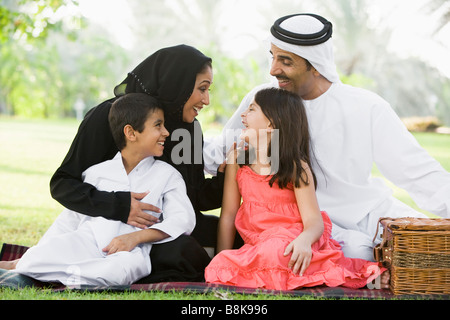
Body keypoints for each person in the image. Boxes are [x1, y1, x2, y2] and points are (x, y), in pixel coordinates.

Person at [205, 13, 450, 262]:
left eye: (285, 61)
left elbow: (417, 171)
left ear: (315, 65)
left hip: (368, 213)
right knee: (357, 252)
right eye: (273, 57)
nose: (273, 69)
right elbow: (218, 150)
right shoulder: (265, 99)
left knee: (434, 249)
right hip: (300, 224)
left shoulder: (366, 106)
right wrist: (167, 136)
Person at [48, 45, 223, 282]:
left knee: (236, 238)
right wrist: (121, 207)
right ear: (177, 84)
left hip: (165, 230)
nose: (206, 100)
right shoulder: (110, 116)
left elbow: (194, 199)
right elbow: (63, 184)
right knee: (180, 252)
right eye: (202, 89)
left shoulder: (189, 129)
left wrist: (227, 178)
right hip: (111, 226)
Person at [4, 94, 195, 286]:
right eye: (158, 125)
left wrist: (136, 237)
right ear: (131, 133)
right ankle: (33, 266)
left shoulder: (167, 175)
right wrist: (43, 250)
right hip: (86, 243)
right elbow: (70, 219)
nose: (166, 132)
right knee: (39, 257)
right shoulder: (97, 173)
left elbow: (182, 219)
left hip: (128, 253)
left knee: (116, 273)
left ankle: (50, 273)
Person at [204, 88, 385, 290]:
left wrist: (304, 242)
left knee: (278, 250)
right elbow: (228, 215)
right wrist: (221, 255)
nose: (243, 115)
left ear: (271, 122)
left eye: (252, 109)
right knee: (220, 265)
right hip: (259, 245)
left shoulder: (296, 166)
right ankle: (284, 274)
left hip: (292, 240)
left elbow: (314, 222)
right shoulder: (237, 160)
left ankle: (303, 271)